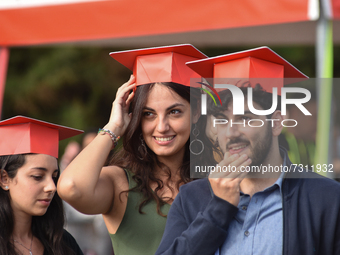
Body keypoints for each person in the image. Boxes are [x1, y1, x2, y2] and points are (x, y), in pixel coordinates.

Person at [155, 47, 340, 255]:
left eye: (245, 118)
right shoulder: (192, 198)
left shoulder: (326, 199)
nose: (231, 133)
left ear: (277, 123)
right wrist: (218, 209)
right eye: (221, 119)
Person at [57, 44, 208, 255]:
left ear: (196, 114)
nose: (161, 127)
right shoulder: (121, 183)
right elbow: (71, 187)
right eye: (148, 114)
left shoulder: (214, 181)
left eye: (174, 112)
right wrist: (114, 127)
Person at [0, 115, 84, 255]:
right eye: (37, 177)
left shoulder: (62, 242)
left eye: (54, 177)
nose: (52, 187)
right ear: (4, 179)